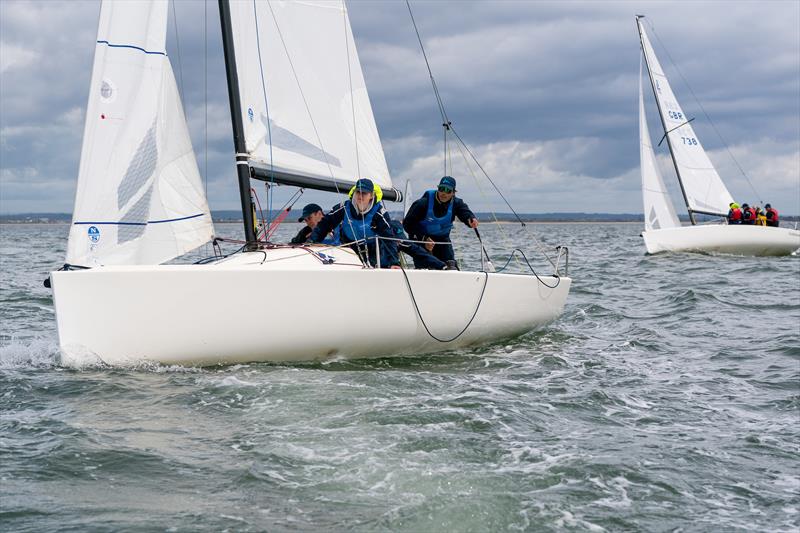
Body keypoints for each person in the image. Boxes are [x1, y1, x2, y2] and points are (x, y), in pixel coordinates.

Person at [309, 178, 400, 268]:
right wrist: (312, 241)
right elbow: (325, 223)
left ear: (371, 195)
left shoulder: (379, 213)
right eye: (358, 192)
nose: (360, 196)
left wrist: (394, 262)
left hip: (373, 250)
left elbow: (388, 238)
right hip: (349, 248)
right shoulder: (345, 207)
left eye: (364, 193)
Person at [403, 176, 478, 267]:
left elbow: (465, 212)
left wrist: (470, 219)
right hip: (421, 239)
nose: (444, 193)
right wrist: (423, 238)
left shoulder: (457, 203)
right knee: (425, 268)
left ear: (453, 193)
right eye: (441, 189)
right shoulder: (423, 203)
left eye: (448, 190)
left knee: (450, 266)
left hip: (442, 240)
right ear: (438, 189)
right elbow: (407, 224)